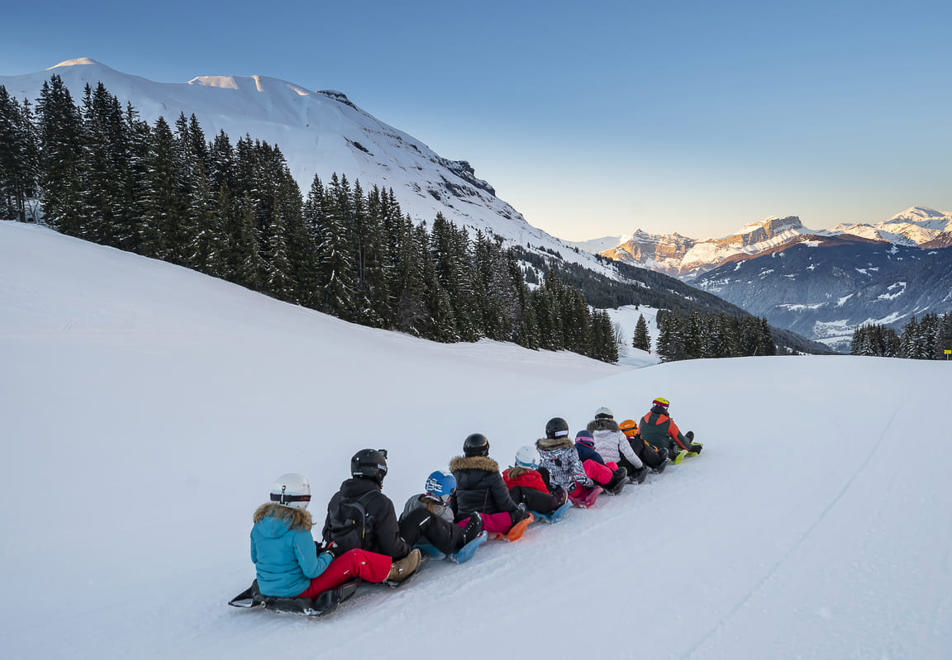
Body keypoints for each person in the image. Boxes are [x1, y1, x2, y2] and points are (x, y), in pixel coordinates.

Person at [251, 473, 416, 600]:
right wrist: (329, 555)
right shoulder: (298, 529)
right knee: (355, 557)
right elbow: (312, 571)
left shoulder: (258, 526)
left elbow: (256, 557)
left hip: (266, 587)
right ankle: (394, 571)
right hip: (300, 591)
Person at [322, 449, 422, 582]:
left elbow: (326, 532)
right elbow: (391, 548)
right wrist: (408, 550)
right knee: (421, 516)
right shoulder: (381, 502)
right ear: (378, 473)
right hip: (371, 560)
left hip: (342, 558)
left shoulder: (337, 497)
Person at [450, 433, 529, 534]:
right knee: (516, 514)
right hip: (485, 520)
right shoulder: (490, 473)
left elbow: (452, 504)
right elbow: (504, 503)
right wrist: (517, 512)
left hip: (463, 520)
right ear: (485, 451)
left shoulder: (455, 474)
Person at [399, 470, 483, 555]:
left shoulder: (413, 500)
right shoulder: (445, 512)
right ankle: (462, 538)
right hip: (428, 544)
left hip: (407, 538)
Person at [536, 418, 603, 506]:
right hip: (570, 491)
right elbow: (579, 475)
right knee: (589, 467)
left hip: (552, 491)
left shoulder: (542, 451)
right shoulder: (569, 450)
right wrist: (591, 484)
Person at [587, 407, 648, 483]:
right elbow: (629, 454)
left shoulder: (589, 434)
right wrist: (640, 466)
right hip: (616, 468)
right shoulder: (617, 433)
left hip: (598, 469)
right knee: (638, 443)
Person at [502, 445, 568, 514]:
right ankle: (556, 498)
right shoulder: (534, 478)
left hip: (518, 499)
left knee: (542, 471)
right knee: (545, 476)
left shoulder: (507, 474)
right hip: (534, 502)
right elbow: (544, 494)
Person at [574, 429, 628, 493]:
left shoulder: (574, 450)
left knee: (612, 464)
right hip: (582, 485)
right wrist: (615, 474)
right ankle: (613, 482)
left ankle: (615, 474)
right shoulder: (590, 453)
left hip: (578, 481)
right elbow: (601, 466)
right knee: (593, 465)